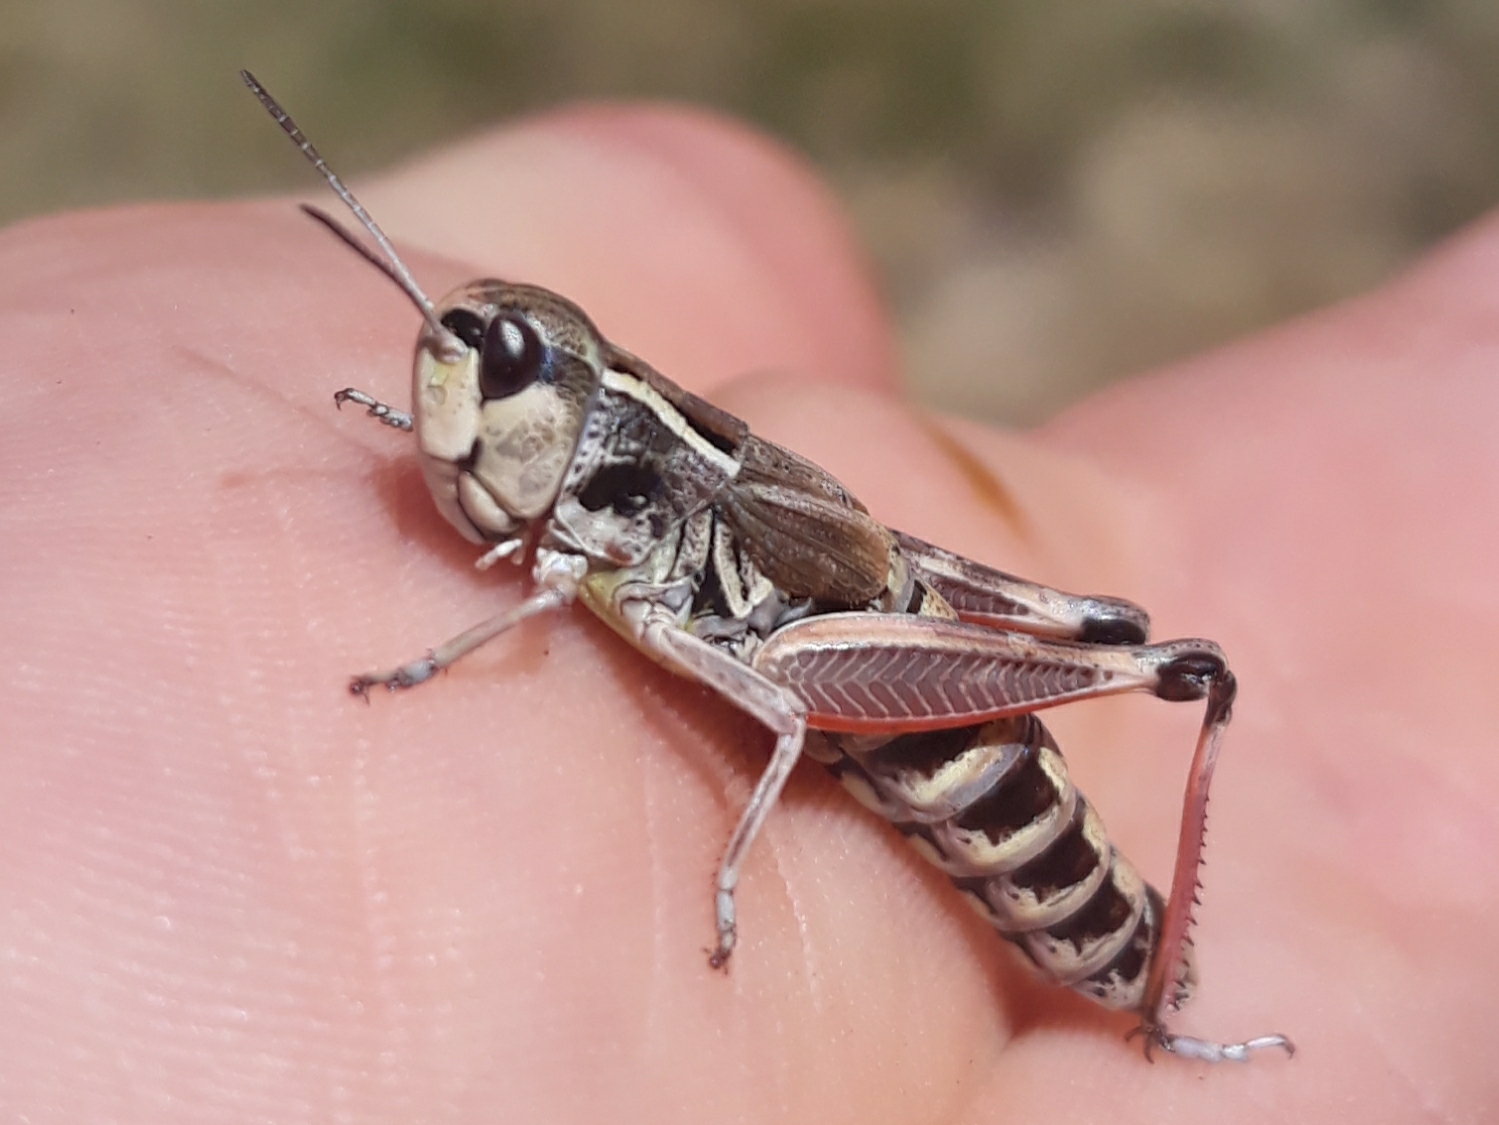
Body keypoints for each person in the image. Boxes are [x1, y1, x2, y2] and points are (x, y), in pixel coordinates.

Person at [3, 103, 1492, 1122]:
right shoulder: (584, 482)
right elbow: (546, 547)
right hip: (834, 635)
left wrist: (724, 877)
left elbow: (777, 701)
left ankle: (1154, 995)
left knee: (1165, 663)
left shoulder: (632, 498)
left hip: (883, 688)